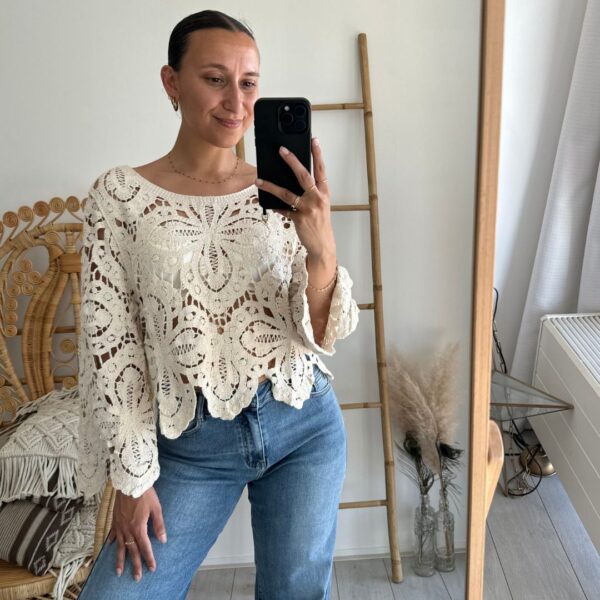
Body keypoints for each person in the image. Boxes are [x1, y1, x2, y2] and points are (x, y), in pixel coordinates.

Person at [76, 9, 359, 600]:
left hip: (302, 424)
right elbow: (111, 346)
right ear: (172, 82)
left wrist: (323, 248)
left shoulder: (281, 194)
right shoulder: (120, 197)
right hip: (192, 445)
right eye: (214, 79)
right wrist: (131, 478)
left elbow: (318, 332)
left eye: (249, 82)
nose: (236, 101)